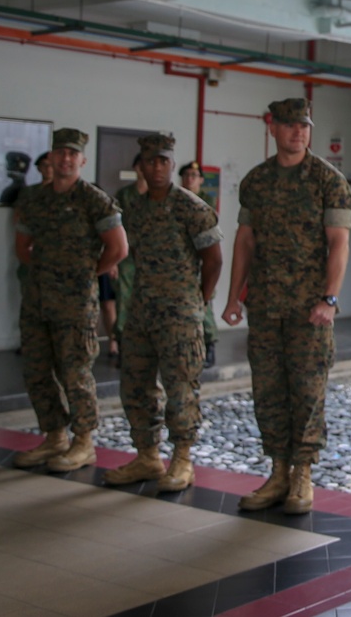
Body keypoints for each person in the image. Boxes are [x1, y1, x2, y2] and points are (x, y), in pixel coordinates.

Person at [223, 97, 351, 515]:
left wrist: (329, 299)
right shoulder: (256, 182)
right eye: (290, 125)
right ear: (272, 127)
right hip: (264, 306)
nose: (298, 132)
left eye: (304, 126)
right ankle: (278, 470)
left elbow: (339, 244)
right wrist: (232, 298)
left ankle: (302, 474)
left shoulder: (327, 180)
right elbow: (245, 241)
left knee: (308, 392)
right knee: (268, 391)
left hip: (309, 310)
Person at [104, 134, 223, 492]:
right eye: (150, 161)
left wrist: (197, 301)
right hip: (141, 313)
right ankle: (147, 456)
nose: (157, 167)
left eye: (163, 161)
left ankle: (182, 460)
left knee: (180, 389)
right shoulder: (135, 209)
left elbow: (214, 260)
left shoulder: (192, 207)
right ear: (141, 165)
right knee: (135, 386)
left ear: (172, 165)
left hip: (180, 316)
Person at [13, 128, 127, 472]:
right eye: (59, 153)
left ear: (82, 160)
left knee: (75, 373)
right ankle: (54, 436)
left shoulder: (94, 199)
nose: (64, 159)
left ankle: (83, 442)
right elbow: (22, 247)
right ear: (50, 158)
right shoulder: (33, 199)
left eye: (71, 154)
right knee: (36, 371)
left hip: (75, 304)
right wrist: (49, 273)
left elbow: (118, 248)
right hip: (37, 299)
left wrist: (85, 274)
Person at [180, 160, 219, 368]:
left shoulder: (205, 202)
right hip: (182, 263)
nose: (189, 180)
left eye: (194, 176)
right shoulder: (177, 200)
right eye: (186, 176)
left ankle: (210, 343)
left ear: (201, 180)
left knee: (205, 302)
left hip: (202, 259)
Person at [113, 153, 147, 361]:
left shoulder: (160, 195)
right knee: (124, 303)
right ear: (135, 168)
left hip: (153, 261)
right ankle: (124, 346)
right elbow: (114, 228)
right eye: (141, 165)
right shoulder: (124, 195)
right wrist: (114, 261)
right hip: (127, 258)